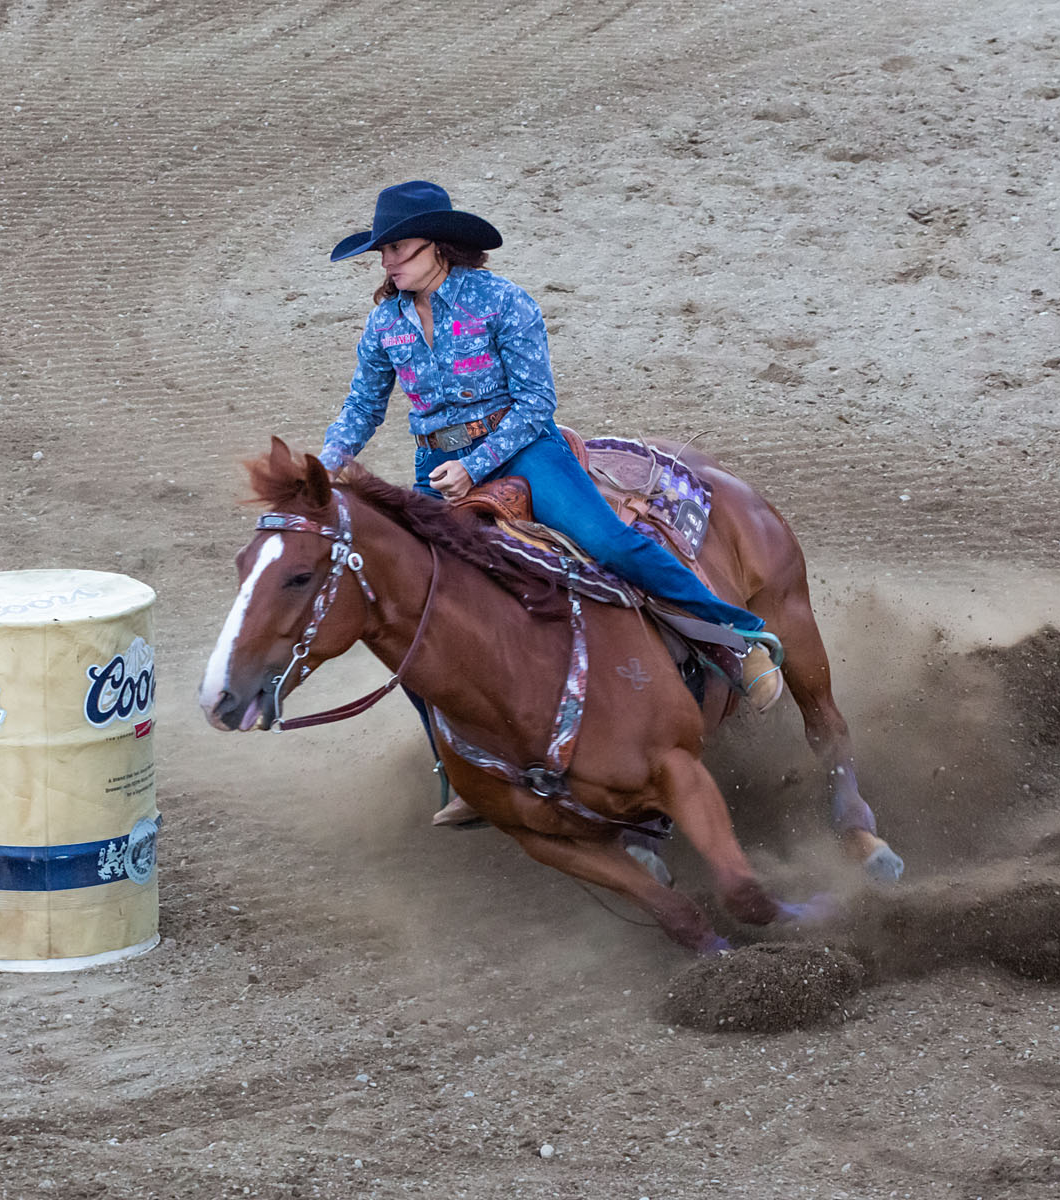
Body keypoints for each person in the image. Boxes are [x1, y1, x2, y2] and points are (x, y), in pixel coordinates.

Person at [318, 180, 780, 824]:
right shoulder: (384, 323)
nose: (388, 261)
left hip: (522, 449)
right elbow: (363, 406)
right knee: (410, 608)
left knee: (611, 543)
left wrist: (475, 464)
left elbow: (538, 405)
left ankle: (740, 640)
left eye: (399, 248)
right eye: (383, 252)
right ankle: (456, 771)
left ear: (440, 248)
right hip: (436, 462)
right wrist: (324, 464)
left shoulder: (503, 301)